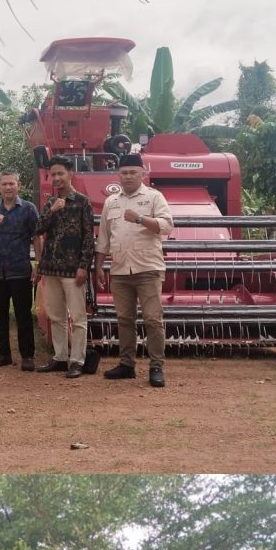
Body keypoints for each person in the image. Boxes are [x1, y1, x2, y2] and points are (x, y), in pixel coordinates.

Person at [94, 153, 174, 388]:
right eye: (124, 172)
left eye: (133, 172)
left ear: (143, 174)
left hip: (148, 268)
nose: (128, 176)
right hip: (119, 270)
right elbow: (104, 238)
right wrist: (99, 266)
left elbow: (167, 225)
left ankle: (156, 366)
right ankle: (127, 364)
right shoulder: (111, 202)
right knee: (124, 319)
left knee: (152, 319)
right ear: (118, 175)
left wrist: (140, 219)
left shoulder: (154, 197)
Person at [34, 155, 95, 379]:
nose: (57, 178)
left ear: (71, 174)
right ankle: (60, 357)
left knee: (78, 317)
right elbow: (38, 229)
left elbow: (89, 237)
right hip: (51, 268)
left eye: (61, 173)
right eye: (53, 174)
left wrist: (84, 266)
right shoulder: (51, 202)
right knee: (56, 316)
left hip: (73, 270)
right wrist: (53, 210)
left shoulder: (83, 201)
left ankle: (77, 360)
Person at [0, 169, 41, 371]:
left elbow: (37, 237)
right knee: (0, 315)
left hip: (20, 269)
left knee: (23, 315)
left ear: (18, 186)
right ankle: (3, 353)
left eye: (11, 183)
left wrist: (39, 264)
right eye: (4, 184)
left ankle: (27, 356)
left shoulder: (28, 209)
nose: (8, 187)